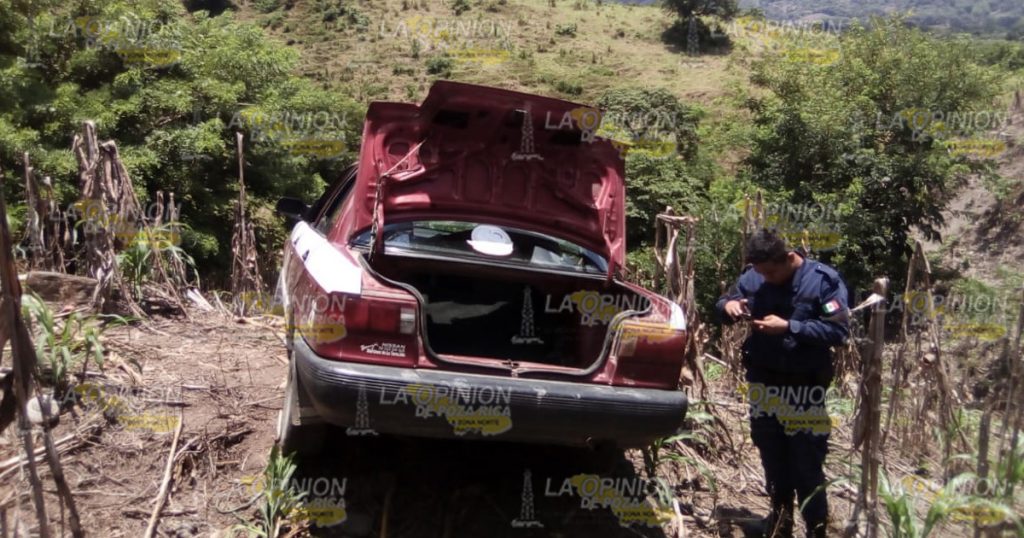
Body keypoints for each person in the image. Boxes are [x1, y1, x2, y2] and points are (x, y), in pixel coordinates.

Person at [716, 229, 850, 538]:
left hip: (804, 390)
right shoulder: (753, 277)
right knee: (772, 457)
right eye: (761, 272)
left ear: (789, 258)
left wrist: (791, 326)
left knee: (806, 465)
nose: (767, 278)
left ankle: (816, 530)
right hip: (763, 386)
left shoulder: (823, 281)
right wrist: (728, 307)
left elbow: (839, 332)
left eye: (772, 272)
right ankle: (779, 524)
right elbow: (723, 304)